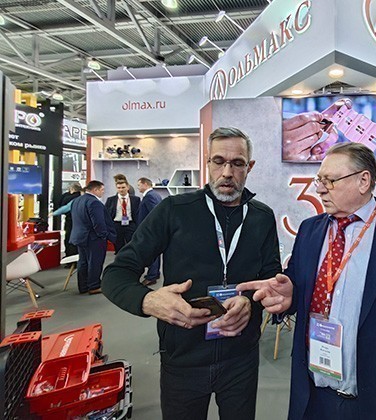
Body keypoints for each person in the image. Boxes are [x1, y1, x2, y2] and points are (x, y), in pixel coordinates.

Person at [238, 143, 376, 419]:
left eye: (330, 181)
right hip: (314, 397)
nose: (320, 189)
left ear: (363, 181)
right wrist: (290, 296)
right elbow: (300, 286)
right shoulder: (310, 231)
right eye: (319, 180)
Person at [102, 127, 282, 420]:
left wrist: (251, 301)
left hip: (241, 358)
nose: (227, 172)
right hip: (183, 358)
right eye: (219, 161)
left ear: (249, 167)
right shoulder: (174, 210)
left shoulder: (261, 217)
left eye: (237, 163)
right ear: (207, 162)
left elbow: (270, 278)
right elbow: (116, 274)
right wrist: (148, 301)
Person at [69, 180, 116, 295]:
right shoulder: (94, 203)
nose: (103, 192)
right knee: (95, 262)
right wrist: (103, 235)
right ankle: (94, 286)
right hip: (93, 238)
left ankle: (83, 286)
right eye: (102, 190)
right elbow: (98, 223)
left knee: (83, 262)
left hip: (80, 237)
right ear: (95, 190)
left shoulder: (77, 201)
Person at [137, 177, 163, 286]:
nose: (138, 187)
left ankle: (151, 276)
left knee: (151, 252)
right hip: (154, 230)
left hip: (150, 230)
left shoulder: (149, 196)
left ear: (145, 184)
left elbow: (154, 214)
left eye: (139, 185)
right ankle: (155, 273)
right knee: (155, 252)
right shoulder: (156, 195)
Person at [105, 180, 140, 254]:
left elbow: (138, 213)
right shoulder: (111, 200)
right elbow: (106, 214)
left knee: (132, 245)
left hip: (130, 224)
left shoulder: (136, 199)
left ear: (127, 187)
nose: (121, 190)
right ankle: (119, 258)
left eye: (123, 187)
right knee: (118, 246)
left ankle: (130, 259)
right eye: (119, 188)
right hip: (116, 224)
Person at [55, 182, 82, 257]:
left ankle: (69, 255)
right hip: (81, 222)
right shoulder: (83, 198)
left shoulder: (67, 198)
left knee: (69, 238)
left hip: (70, 220)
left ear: (72, 189)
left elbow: (60, 206)